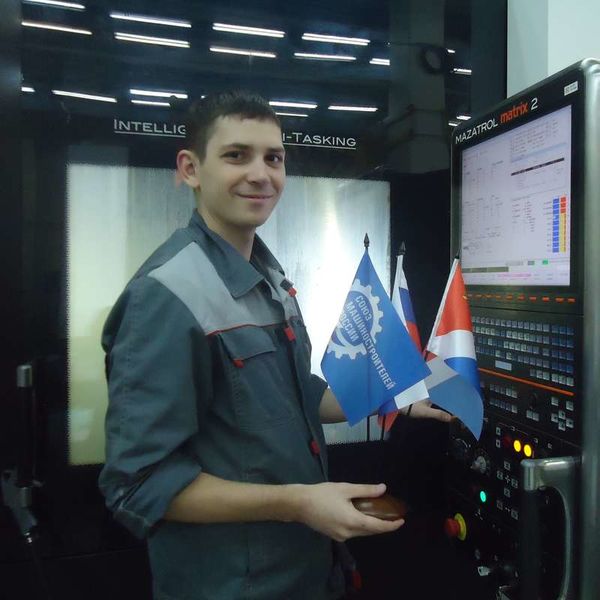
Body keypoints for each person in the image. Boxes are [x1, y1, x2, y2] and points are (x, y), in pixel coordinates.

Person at [99, 91, 451, 600]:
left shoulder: (268, 278)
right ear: (191, 169)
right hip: (234, 585)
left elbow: (296, 395)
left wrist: (397, 395)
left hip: (306, 572)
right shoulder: (166, 295)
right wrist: (298, 503)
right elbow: (139, 484)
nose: (261, 174)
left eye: (274, 158)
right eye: (236, 155)